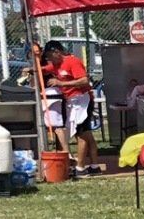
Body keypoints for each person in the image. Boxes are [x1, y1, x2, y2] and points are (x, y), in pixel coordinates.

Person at [40, 41, 101, 174]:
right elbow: (44, 70)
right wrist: (33, 67)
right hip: (72, 102)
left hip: (83, 100)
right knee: (86, 134)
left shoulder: (72, 61)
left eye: (50, 56)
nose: (50, 60)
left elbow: (84, 80)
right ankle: (95, 166)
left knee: (81, 134)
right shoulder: (55, 65)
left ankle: (80, 166)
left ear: (57, 52)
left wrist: (61, 83)